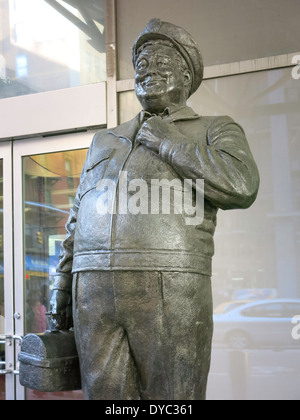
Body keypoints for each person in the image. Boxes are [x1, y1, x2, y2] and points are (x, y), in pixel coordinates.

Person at [50, 19, 259, 400]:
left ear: (185, 72)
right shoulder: (105, 140)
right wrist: (62, 284)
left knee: (173, 399)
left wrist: (172, 144)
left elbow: (242, 185)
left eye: (161, 63)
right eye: (142, 65)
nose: (148, 71)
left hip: (171, 287)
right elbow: (77, 219)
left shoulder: (213, 129)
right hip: (93, 291)